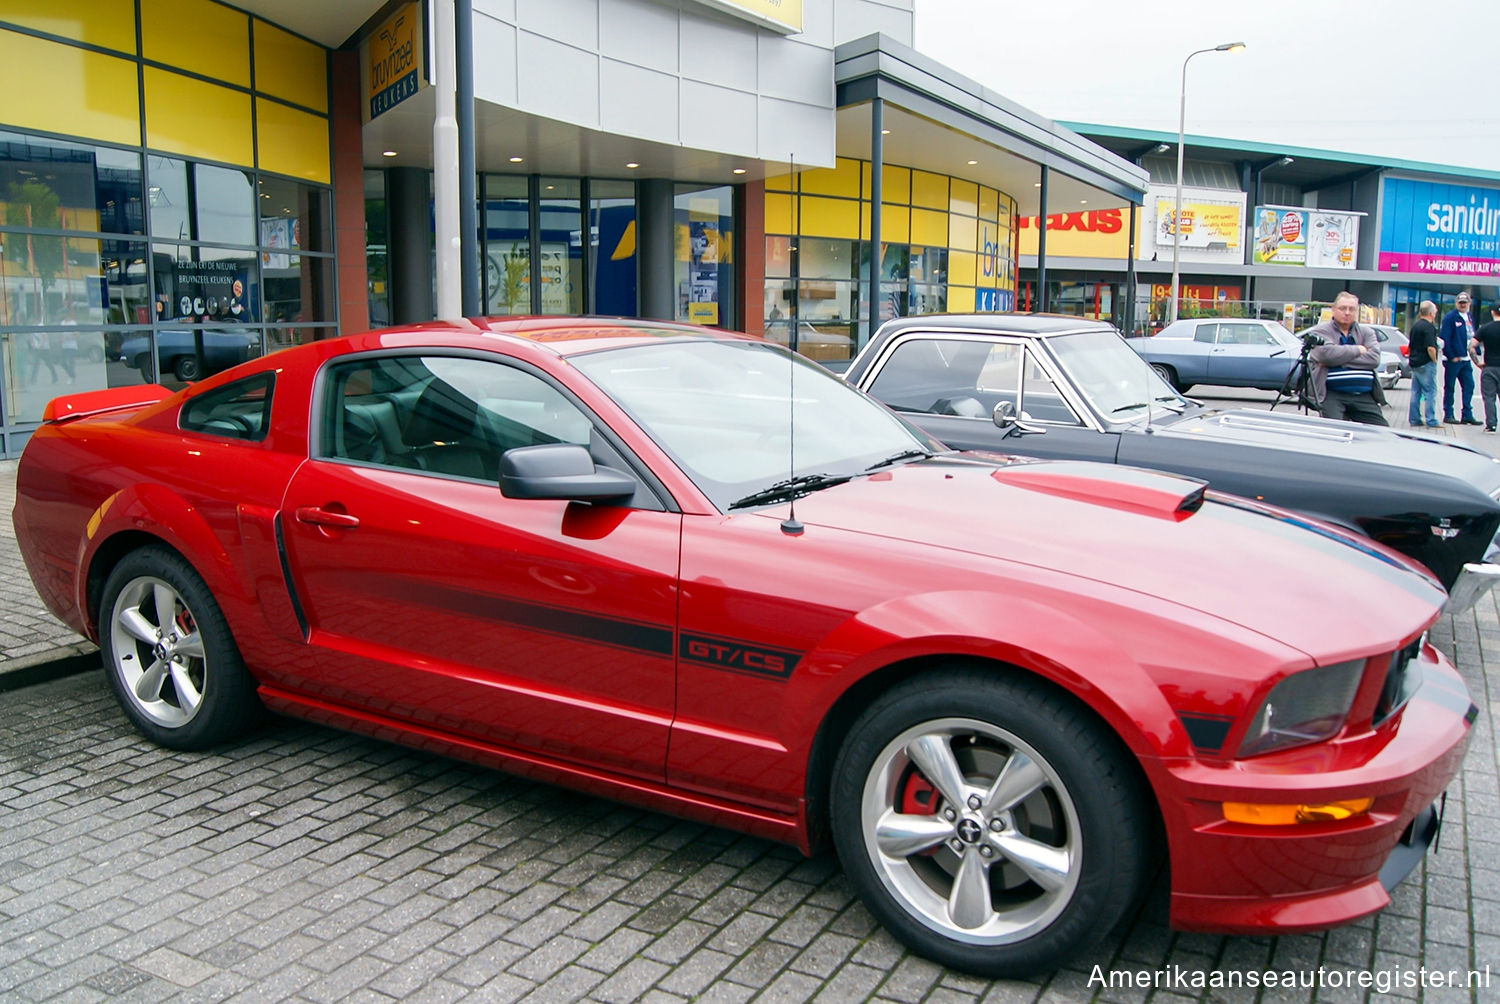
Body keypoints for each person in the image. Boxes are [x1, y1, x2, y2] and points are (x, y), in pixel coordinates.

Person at [1305, 291, 1388, 425]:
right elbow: (1326, 355)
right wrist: (1358, 349)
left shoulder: (1367, 333)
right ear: (1333, 309)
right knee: (1334, 432)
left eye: (1352, 309)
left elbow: (1374, 359)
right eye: (1343, 308)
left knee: (1382, 432)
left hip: (1363, 395)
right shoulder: (1320, 331)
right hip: (1331, 393)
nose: (1347, 312)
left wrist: (1337, 360)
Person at [1441, 291, 1479, 424]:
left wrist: (1476, 353)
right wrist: (1452, 356)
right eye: (1460, 302)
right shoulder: (1450, 317)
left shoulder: (1469, 316)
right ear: (1456, 303)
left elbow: (1472, 335)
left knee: (1469, 385)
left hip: (1466, 359)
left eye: (1465, 302)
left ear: (1469, 303)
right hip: (1454, 360)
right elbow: (1445, 338)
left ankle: (1467, 414)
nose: (1463, 305)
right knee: (1450, 387)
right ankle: (1448, 414)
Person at [1407, 300, 1441, 427]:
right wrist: (1435, 360)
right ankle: (1431, 420)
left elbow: (1410, 345)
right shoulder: (1429, 327)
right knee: (1430, 391)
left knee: (1416, 391)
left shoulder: (1416, 326)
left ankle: (1414, 419)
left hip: (1415, 362)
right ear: (1431, 313)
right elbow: (1431, 348)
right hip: (1426, 363)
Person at [1471, 303, 1500, 433]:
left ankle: (1491, 425)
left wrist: (1477, 362)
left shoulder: (1485, 329)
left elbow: (1471, 346)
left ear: (1492, 312)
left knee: (1489, 398)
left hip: (1489, 368)